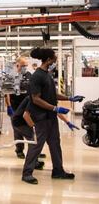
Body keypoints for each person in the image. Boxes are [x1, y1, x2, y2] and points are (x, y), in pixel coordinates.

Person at [22, 48, 84, 184]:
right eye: (54, 57)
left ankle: (58, 171)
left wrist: (69, 98)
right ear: (49, 59)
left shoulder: (47, 74)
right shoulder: (37, 76)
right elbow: (36, 98)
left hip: (50, 117)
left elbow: (52, 94)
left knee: (55, 143)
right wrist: (55, 107)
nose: (56, 59)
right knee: (37, 145)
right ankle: (27, 173)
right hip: (40, 117)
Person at [12, 96, 80, 171]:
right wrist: (34, 128)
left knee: (36, 141)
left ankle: (34, 161)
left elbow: (55, 111)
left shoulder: (46, 98)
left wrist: (68, 122)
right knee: (35, 140)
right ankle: (31, 165)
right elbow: (26, 116)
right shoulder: (35, 99)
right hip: (20, 123)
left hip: (26, 121)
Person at [5, 56, 33, 159]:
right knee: (17, 131)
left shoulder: (29, 75)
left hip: (27, 107)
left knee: (30, 128)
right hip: (15, 107)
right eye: (23, 65)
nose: (25, 67)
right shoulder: (11, 76)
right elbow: (6, 92)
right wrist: (8, 106)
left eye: (26, 65)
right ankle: (19, 150)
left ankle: (34, 149)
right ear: (17, 65)